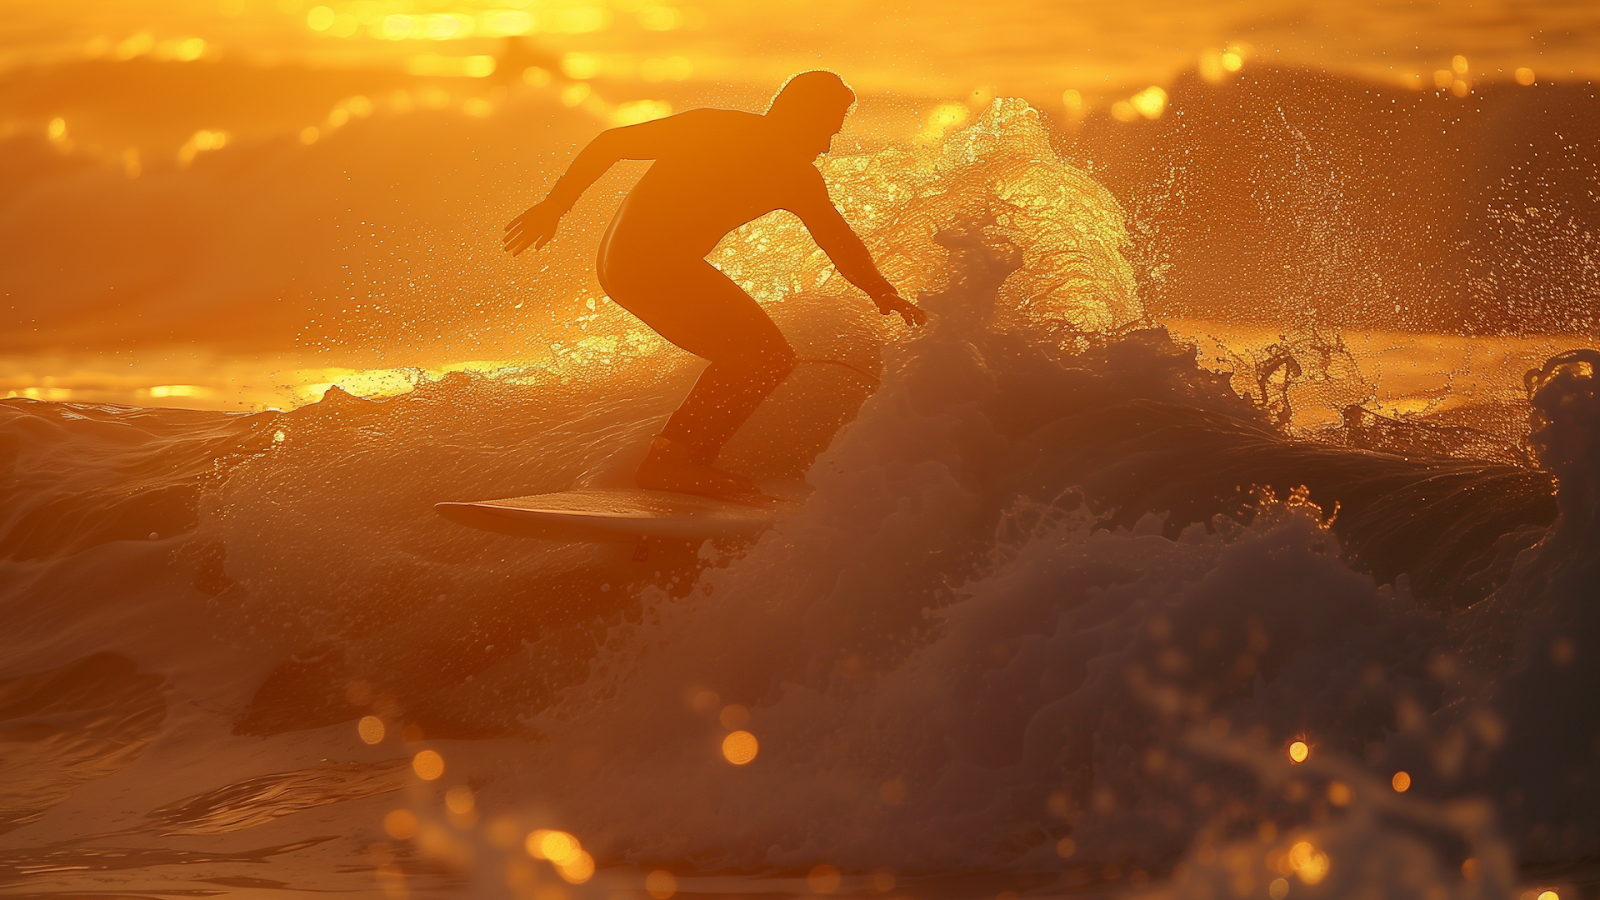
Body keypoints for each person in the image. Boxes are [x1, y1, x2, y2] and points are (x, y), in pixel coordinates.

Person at [504, 70, 924, 499]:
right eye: (824, 132)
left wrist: (881, 291)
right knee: (764, 354)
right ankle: (671, 463)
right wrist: (556, 203)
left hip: (628, 265)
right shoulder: (722, 133)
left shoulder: (781, 167)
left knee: (757, 356)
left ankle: (687, 462)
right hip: (650, 262)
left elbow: (839, 240)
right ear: (800, 115)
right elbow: (612, 142)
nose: (826, 147)